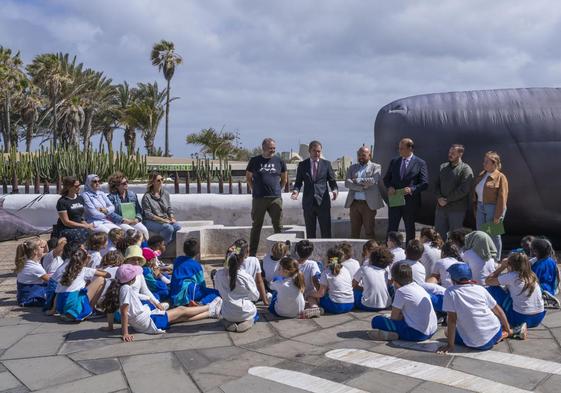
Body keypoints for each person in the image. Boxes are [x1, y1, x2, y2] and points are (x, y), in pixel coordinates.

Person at [101, 264, 221, 341]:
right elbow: (124, 312)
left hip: (144, 323)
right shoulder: (126, 289)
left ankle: (211, 312)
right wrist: (125, 333)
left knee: (181, 317)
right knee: (181, 310)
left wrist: (110, 327)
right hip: (148, 321)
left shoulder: (119, 287)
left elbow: (112, 308)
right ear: (132, 279)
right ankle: (209, 306)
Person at [439, 263, 511, 352]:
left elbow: (452, 320)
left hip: (478, 344)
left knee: (447, 332)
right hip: (496, 331)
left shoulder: (450, 292)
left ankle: (494, 338)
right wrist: (508, 329)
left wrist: (450, 345)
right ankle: (503, 334)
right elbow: (499, 311)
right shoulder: (480, 289)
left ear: (453, 279)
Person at [369, 263, 437, 341]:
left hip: (417, 334)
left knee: (376, 320)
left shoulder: (401, 291)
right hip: (432, 330)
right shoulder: (418, 287)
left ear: (394, 280)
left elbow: (394, 317)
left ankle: (394, 335)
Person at [485, 253, 545, 339]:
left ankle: (505, 321)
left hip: (521, 318)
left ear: (510, 265)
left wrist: (502, 267)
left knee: (492, 289)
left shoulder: (512, 276)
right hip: (538, 318)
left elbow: (488, 281)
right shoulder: (532, 275)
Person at [246, 138, 287, 256]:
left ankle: (281, 253)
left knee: (278, 226)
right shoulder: (254, 161)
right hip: (259, 198)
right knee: (256, 226)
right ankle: (252, 254)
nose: (273, 150)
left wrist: (278, 189)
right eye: (270, 148)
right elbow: (248, 177)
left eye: (274, 148)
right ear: (263, 148)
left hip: (275, 198)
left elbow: (284, 179)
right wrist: (254, 188)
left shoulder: (279, 161)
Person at [383, 138, 429, 243]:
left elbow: (425, 183)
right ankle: (389, 250)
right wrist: (389, 187)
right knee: (392, 227)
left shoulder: (420, 163)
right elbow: (386, 179)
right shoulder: (394, 161)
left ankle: (410, 251)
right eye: (399, 148)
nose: (399, 151)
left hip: (410, 202)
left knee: (409, 228)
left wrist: (412, 189)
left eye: (402, 148)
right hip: (395, 200)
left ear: (410, 148)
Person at [292, 140, 338, 238]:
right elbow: (298, 182)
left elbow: (332, 181)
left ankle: (327, 252)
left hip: (323, 203)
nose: (317, 153)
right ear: (309, 151)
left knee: (326, 231)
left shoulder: (326, 164)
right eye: (314, 151)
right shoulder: (302, 165)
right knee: (310, 232)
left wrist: (334, 190)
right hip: (308, 203)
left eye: (319, 151)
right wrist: (295, 192)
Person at [215, 246, 260, 333]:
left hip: (227, 313)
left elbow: (218, 290)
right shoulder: (246, 277)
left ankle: (228, 322)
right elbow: (255, 297)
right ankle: (249, 321)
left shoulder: (218, 274)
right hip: (245, 311)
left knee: (223, 310)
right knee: (255, 312)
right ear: (242, 260)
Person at [55, 248, 108, 321]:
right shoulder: (85, 270)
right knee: (101, 280)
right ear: (85, 260)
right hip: (74, 303)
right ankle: (90, 310)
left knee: (81, 288)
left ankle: (67, 312)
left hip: (61, 305)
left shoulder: (65, 270)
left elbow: (57, 293)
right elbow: (107, 274)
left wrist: (53, 310)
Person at [434, 145, 474, 240]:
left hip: (456, 210)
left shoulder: (465, 169)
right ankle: (440, 254)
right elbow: (436, 185)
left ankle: (454, 254)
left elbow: (464, 190)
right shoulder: (443, 167)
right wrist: (439, 198)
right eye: (449, 152)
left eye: (453, 153)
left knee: (455, 237)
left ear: (460, 154)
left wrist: (447, 200)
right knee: (439, 235)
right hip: (441, 209)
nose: (450, 155)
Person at [473, 151, 509, 258]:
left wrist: (498, 215)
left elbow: (502, 197)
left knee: (494, 234)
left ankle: (496, 258)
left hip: (493, 208)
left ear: (494, 163)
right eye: (484, 161)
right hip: (480, 206)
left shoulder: (501, 177)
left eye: (486, 162)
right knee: (481, 233)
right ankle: (484, 255)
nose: (483, 164)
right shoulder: (482, 174)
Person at [345, 146, 385, 239]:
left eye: (363, 155)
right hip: (354, 204)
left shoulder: (376, 166)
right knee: (354, 232)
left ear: (369, 155)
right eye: (359, 155)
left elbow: (373, 180)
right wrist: (361, 188)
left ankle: (372, 252)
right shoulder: (352, 168)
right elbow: (347, 183)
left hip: (368, 204)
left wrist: (356, 181)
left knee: (369, 231)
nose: (360, 157)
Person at [169, 238, 220, 307]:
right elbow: (201, 283)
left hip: (174, 293)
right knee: (216, 292)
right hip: (188, 291)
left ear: (184, 250)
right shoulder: (196, 265)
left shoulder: (178, 260)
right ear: (198, 252)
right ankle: (201, 303)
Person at [107, 172, 149, 240]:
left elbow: (138, 210)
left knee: (144, 230)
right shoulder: (111, 197)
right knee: (131, 232)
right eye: (124, 183)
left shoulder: (132, 195)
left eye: (127, 182)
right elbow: (110, 213)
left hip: (133, 220)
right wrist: (122, 219)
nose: (126, 184)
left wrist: (137, 219)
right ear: (117, 186)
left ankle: (144, 249)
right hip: (120, 222)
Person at [142, 172, 181, 245]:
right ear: (152, 182)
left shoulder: (165, 193)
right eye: (158, 180)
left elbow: (169, 208)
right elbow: (148, 214)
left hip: (164, 218)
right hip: (150, 221)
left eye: (162, 179)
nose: (161, 182)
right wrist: (164, 220)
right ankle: (159, 247)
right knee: (168, 228)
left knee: (177, 226)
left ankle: (165, 245)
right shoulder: (147, 197)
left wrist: (172, 217)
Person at [314, 247, 355, 314]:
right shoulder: (346, 270)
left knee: (314, 296)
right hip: (350, 305)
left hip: (336, 307)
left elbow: (321, 294)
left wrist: (310, 294)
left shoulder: (326, 272)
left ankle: (315, 308)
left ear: (328, 258)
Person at [55, 176, 93, 245]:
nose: (79, 187)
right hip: (66, 228)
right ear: (68, 187)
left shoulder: (80, 198)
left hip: (79, 226)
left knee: (95, 232)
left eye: (79, 185)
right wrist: (84, 226)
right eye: (76, 186)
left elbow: (80, 217)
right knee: (81, 235)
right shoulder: (62, 202)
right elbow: (66, 222)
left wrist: (87, 225)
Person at [353, 246, 392, 311]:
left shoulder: (364, 268)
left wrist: (363, 289)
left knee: (354, 292)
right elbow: (389, 283)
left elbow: (353, 285)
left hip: (367, 305)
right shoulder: (386, 271)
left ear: (371, 258)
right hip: (386, 304)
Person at [15, 238, 50, 307]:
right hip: (31, 299)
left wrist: (45, 244)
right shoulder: (35, 267)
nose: (43, 248)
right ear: (35, 251)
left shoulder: (26, 261)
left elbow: (47, 252)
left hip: (23, 297)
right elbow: (51, 281)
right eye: (41, 247)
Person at [530, 238, 560, 308]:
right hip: (551, 288)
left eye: (531, 249)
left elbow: (533, 281)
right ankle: (545, 297)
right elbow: (557, 277)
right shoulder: (552, 261)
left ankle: (543, 297)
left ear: (535, 251)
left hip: (542, 289)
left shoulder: (537, 266)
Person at [295, 240, 321, 308]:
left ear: (297, 252)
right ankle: (314, 307)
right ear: (310, 253)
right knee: (311, 297)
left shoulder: (293, 263)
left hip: (296, 293)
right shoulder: (312, 264)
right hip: (308, 292)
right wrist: (320, 292)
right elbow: (315, 280)